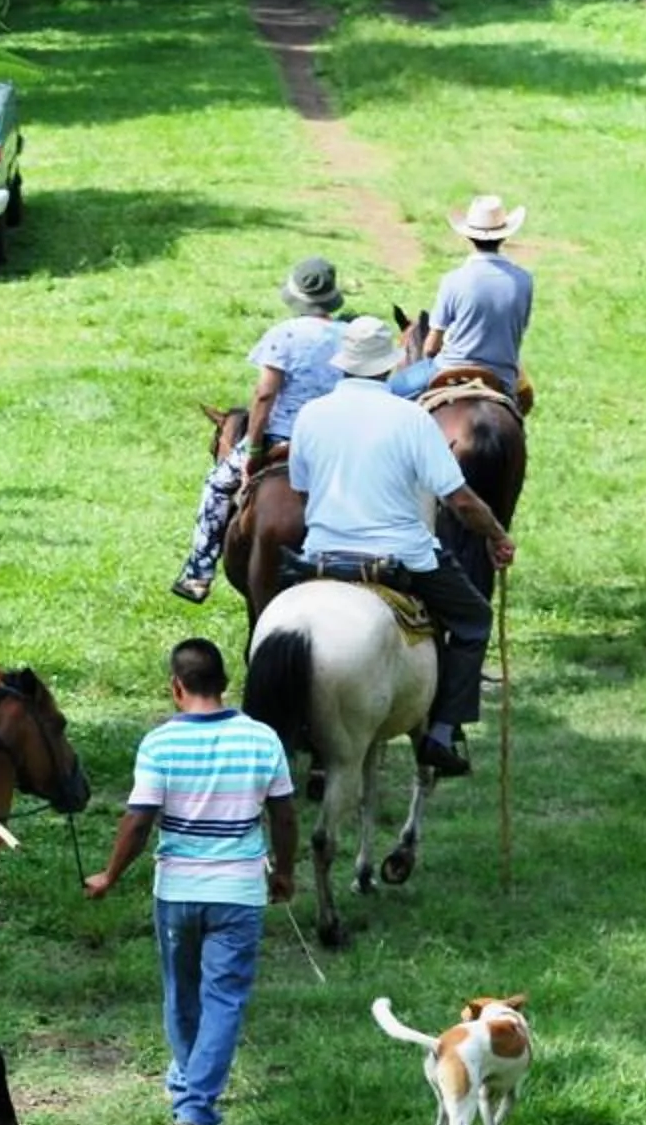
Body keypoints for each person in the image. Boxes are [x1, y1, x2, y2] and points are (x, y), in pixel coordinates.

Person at [82, 638, 298, 1125]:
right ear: (226, 683)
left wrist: (109, 875)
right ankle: (195, 1099)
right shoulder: (262, 738)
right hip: (239, 892)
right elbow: (285, 815)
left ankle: (190, 1093)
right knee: (224, 997)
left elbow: (138, 821)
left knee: (181, 992)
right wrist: (285, 872)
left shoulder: (160, 743)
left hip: (177, 892)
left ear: (176, 687)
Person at [285, 317, 517, 778]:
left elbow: (303, 493)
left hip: (321, 555)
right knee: (474, 619)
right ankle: (442, 732)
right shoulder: (411, 418)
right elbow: (460, 500)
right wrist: (497, 534)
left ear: (343, 365)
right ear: (389, 366)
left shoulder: (310, 414)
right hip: (399, 556)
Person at [174, 255, 351, 603]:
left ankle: (199, 572)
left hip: (280, 437)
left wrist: (254, 449)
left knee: (217, 487)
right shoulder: (348, 337)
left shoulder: (284, 334)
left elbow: (265, 394)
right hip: (335, 442)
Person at [393, 193, 534, 400]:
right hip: (503, 375)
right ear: (504, 236)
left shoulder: (454, 279)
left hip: (449, 367)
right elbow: (518, 329)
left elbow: (432, 345)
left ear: (469, 236)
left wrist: (431, 352)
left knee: (393, 389)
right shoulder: (524, 280)